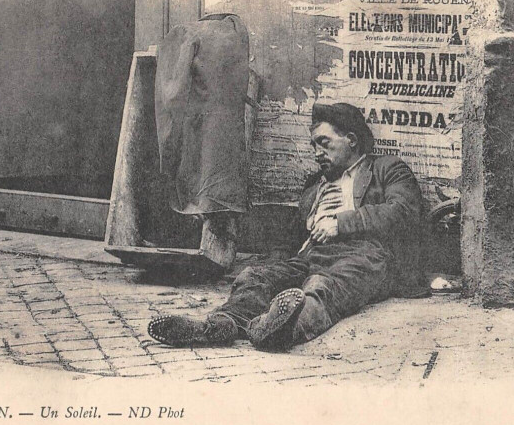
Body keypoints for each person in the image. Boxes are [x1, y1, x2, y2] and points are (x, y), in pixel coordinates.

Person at [148, 102, 428, 351]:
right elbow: (291, 238)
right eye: (314, 146)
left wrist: (340, 224)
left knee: (320, 286)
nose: (317, 153)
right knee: (256, 277)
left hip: (363, 255)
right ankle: (221, 325)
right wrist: (273, 267)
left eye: (324, 143)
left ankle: (281, 331)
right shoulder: (314, 185)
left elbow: (404, 211)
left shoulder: (387, 169)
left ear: (351, 140)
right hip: (309, 255)